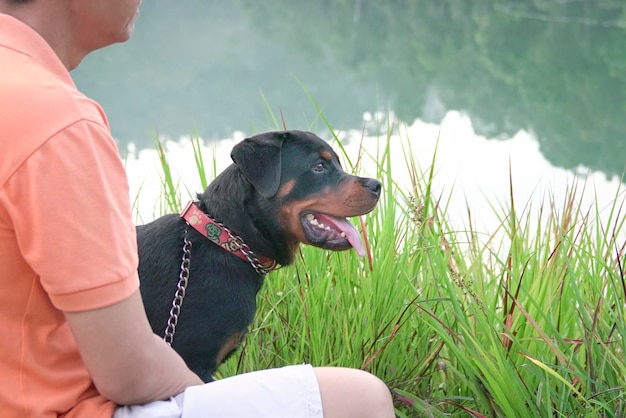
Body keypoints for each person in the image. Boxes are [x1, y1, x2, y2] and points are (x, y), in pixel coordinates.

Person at [0, 1, 396, 417]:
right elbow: (126, 374)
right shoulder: (58, 125)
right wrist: (196, 389)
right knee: (360, 397)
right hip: (53, 408)